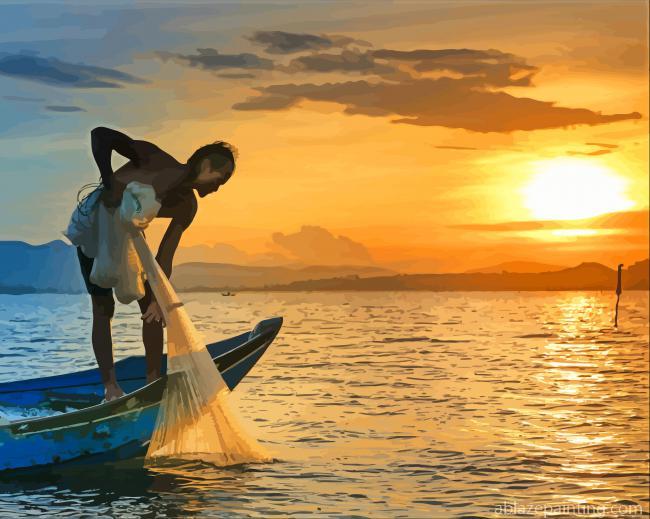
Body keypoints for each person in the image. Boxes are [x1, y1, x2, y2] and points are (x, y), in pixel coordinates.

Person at [70, 126, 236, 401]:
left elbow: (164, 256)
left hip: (128, 237)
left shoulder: (187, 206)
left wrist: (160, 299)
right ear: (206, 165)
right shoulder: (153, 159)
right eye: (222, 178)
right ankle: (110, 387)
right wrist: (109, 181)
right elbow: (100, 135)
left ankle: (152, 381)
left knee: (152, 305)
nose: (219, 186)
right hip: (95, 226)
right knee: (103, 307)